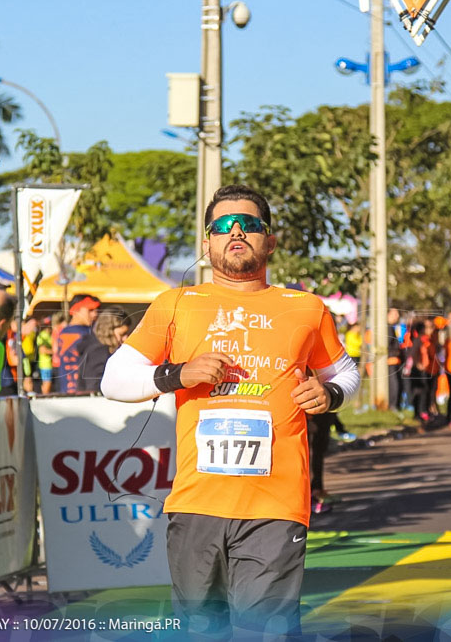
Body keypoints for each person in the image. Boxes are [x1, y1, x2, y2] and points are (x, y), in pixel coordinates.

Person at [100, 184, 359, 636]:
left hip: (276, 506)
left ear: (270, 241)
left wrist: (331, 395)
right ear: (207, 243)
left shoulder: (306, 308)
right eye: (222, 226)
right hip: (197, 503)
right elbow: (113, 380)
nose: (235, 231)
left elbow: (346, 372)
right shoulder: (176, 303)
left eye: (250, 225)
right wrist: (177, 374)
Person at [55, 294, 102, 394]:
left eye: (96, 310)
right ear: (75, 311)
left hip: (66, 393)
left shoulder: (63, 332)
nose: (95, 314)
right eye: (90, 310)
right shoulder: (85, 334)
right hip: (83, 394)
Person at [83, 305, 131, 394]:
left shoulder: (102, 350)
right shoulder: (98, 352)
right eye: (122, 334)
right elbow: (94, 387)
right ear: (109, 330)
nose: (125, 338)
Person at [36, 316, 55, 394]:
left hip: (49, 364)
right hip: (45, 364)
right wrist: (55, 352)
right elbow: (42, 350)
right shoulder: (43, 335)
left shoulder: (49, 334)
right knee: (47, 383)